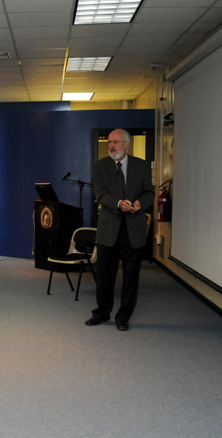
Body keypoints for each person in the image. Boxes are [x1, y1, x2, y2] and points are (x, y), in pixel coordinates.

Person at [85, 129, 154, 332]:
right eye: (109, 143)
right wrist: (118, 203)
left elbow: (149, 192)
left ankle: (123, 317)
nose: (111, 146)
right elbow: (100, 195)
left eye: (115, 142)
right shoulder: (101, 166)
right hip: (109, 229)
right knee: (105, 275)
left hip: (133, 229)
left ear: (126, 144)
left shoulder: (141, 166)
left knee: (131, 276)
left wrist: (140, 203)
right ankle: (102, 313)